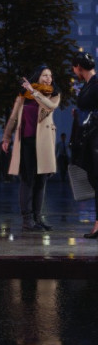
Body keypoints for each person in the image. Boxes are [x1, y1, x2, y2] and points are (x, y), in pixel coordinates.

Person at [2, 65, 60, 232]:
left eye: (50, 75)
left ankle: (37, 218)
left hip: (44, 143)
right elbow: (13, 117)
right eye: (44, 75)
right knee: (28, 179)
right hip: (27, 141)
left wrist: (34, 92)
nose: (48, 78)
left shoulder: (54, 94)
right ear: (37, 77)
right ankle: (27, 220)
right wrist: (6, 137)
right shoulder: (23, 96)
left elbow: (49, 106)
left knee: (41, 180)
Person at [71, 51, 98, 239]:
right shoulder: (90, 84)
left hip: (96, 137)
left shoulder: (95, 84)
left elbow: (85, 105)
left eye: (74, 69)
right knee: (94, 179)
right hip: (91, 136)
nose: (74, 72)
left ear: (79, 68)